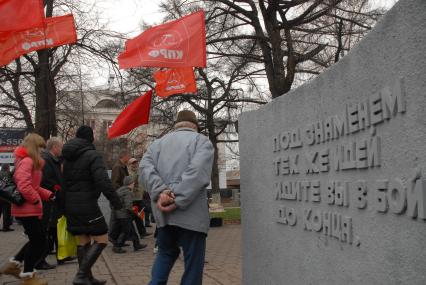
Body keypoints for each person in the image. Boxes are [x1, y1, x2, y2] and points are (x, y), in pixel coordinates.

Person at [140, 110, 214, 285]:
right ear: (195, 125)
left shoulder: (156, 145)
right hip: (192, 215)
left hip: (163, 214)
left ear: (176, 126)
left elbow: (144, 169)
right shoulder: (202, 142)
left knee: (165, 253)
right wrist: (177, 198)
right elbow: (196, 173)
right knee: (193, 265)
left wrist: (161, 192)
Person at [62, 126, 122, 285]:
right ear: (90, 139)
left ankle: (87, 277)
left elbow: (62, 181)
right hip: (87, 204)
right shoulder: (93, 155)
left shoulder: (66, 157)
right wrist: (116, 201)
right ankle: (81, 276)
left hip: (71, 204)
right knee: (102, 239)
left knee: (83, 241)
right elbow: (103, 181)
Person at [0, 133, 54, 285]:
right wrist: (36, 199)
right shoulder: (28, 161)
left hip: (29, 208)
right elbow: (24, 186)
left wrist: (48, 195)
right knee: (38, 241)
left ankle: (14, 265)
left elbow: (34, 187)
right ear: (34, 147)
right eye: (41, 148)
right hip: (27, 208)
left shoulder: (29, 162)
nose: (43, 151)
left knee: (37, 240)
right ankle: (28, 276)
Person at [35, 137, 64, 270]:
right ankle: (39, 259)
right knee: (48, 229)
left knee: (55, 228)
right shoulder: (47, 160)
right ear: (54, 148)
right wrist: (55, 188)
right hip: (49, 200)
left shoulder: (53, 160)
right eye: (60, 147)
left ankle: (61, 255)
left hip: (53, 199)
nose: (62, 149)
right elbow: (45, 181)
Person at [112, 176, 147, 253]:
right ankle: (117, 246)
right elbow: (128, 206)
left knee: (132, 230)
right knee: (126, 231)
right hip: (125, 215)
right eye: (133, 183)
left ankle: (136, 244)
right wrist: (135, 212)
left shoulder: (120, 190)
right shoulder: (128, 192)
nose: (134, 185)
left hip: (119, 214)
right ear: (130, 183)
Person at [108, 149, 130, 243]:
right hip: (119, 197)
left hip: (121, 196)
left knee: (118, 219)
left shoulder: (123, 167)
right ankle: (113, 238)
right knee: (116, 219)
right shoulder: (118, 167)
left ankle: (117, 239)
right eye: (128, 156)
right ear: (123, 156)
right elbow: (115, 183)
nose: (129, 158)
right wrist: (122, 192)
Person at [128, 158, 150, 237]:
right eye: (133, 163)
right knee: (132, 217)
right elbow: (132, 183)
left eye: (136, 163)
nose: (135, 164)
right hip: (133, 198)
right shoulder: (129, 172)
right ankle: (129, 234)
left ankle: (142, 232)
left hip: (139, 197)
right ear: (129, 164)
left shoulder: (138, 171)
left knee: (140, 216)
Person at [0, 163, 14, 231]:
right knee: (6, 212)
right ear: (7, 167)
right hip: (6, 196)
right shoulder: (9, 174)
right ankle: (5, 227)